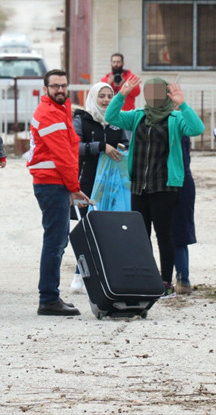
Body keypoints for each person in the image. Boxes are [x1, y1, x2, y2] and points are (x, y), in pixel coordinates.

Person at [105, 76, 205, 298]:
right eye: (149, 92)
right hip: (139, 185)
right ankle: (147, 277)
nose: (153, 96)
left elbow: (197, 128)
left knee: (164, 235)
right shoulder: (138, 116)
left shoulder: (175, 118)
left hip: (165, 187)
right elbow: (110, 116)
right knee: (141, 235)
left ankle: (166, 281)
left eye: (157, 92)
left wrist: (183, 104)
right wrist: (121, 94)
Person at [28, 69, 90, 316]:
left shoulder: (60, 110)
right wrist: (74, 188)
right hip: (52, 183)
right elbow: (63, 156)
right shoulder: (50, 113)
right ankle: (49, 299)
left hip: (54, 183)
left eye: (63, 85)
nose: (61, 90)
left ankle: (50, 296)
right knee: (55, 242)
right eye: (55, 86)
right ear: (46, 90)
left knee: (57, 240)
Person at [69, 81, 129, 292]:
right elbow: (74, 146)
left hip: (112, 184)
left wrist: (121, 149)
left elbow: (125, 143)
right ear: (93, 97)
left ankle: (106, 274)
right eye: (101, 96)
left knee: (110, 228)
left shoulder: (116, 120)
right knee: (87, 228)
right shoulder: (82, 119)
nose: (105, 100)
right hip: (87, 181)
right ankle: (79, 275)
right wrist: (102, 146)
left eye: (109, 96)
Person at [172, 134, 196, 295]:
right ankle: (181, 279)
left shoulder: (178, 126)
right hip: (174, 181)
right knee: (176, 235)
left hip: (178, 183)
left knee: (177, 234)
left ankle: (182, 279)